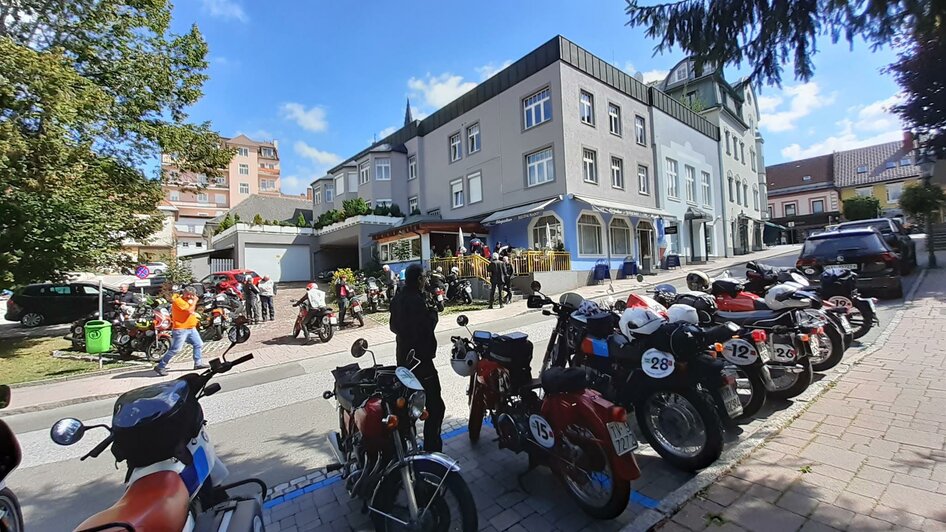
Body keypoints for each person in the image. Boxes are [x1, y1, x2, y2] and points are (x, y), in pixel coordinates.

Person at [389, 264, 444, 452]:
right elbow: (426, 327)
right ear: (419, 279)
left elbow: (393, 327)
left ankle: (408, 446)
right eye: (424, 277)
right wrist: (433, 313)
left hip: (404, 360)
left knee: (407, 407)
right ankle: (432, 447)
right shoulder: (417, 301)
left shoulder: (397, 299)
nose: (426, 280)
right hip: (421, 361)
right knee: (435, 407)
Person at [155, 287, 208, 376]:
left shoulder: (188, 300)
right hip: (181, 329)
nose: (191, 297)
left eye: (193, 295)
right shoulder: (178, 301)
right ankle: (161, 366)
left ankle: (198, 363)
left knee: (198, 344)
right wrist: (195, 301)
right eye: (189, 294)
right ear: (184, 293)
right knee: (176, 349)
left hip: (191, 328)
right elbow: (189, 310)